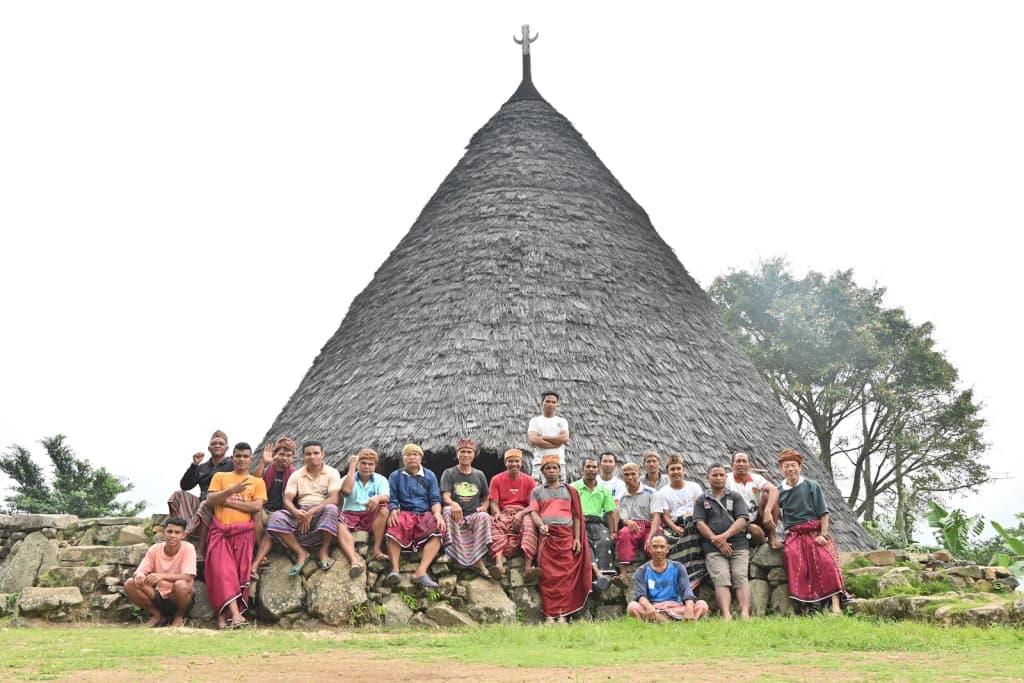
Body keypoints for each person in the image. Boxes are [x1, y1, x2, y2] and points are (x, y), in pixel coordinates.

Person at [777, 448, 849, 614]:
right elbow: (774, 513)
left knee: (826, 560)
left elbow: (823, 513)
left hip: (814, 531)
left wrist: (823, 535)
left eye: (793, 465)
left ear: (800, 467)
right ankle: (806, 606)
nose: (790, 469)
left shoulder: (812, 486)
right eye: (786, 466)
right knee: (792, 556)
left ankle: (835, 604)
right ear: (781, 469)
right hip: (795, 535)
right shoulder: (779, 491)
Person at [204, 442, 266, 629]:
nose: (241, 459)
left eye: (245, 456)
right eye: (238, 456)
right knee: (223, 573)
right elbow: (210, 500)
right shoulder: (220, 476)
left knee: (239, 576)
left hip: (243, 534)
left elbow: (256, 507)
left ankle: (224, 618)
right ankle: (237, 616)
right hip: (220, 532)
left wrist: (228, 502)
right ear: (232, 457)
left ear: (251, 459)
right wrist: (231, 491)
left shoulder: (257, 482)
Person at [528, 454, 591, 624]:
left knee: (566, 576)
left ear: (560, 470)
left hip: (567, 536)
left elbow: (577, 516)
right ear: (542, 471)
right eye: (547, 468)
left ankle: (563, 614)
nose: (551, 471)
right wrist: (540, 524)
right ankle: (549, 614)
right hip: (547, 537)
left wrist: (577, 539)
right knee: (548, 576)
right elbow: (533, 511)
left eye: (554, 467)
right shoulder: (537, 491)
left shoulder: (571, 491)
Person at [264, 440, 342, 576]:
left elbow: (334, 498)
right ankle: (301, 552)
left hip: (321, 510)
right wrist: (295, 512)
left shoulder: (332, 472)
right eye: (308, 454)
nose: (312, 456)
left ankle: (323, 551)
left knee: (331, 509)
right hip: (300, 511)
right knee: (276, 517)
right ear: (303, 456)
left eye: (316, 453)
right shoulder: (296, 475)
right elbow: (287, 499)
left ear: (323, 454)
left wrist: (313, 510)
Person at [384, 443, 447, 588]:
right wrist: (393, 510)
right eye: (408, 454)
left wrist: (437, 513)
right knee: (394, 525)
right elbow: (393, 498)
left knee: (439, 529)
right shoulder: (395, 476)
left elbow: (435, 498)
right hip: (405, 512)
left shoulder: (429, 475)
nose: (412, 457)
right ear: (403, 458)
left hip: (425, 513)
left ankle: (420, 572)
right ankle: (394, 569)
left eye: (415, 454)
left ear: (421, 457)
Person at [693, 463, 751, 619]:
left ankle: (745, 613)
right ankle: (726, 615)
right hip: (712, 547)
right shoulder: (701, 500)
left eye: (721, 475)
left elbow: (742, 519)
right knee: (721, 577)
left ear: (726, 477)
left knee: (740, 575)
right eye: (715, 475)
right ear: (708, 477)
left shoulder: (735, 496)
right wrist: (717, 540)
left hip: (738, 543)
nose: (718, 478)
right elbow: (699, 522)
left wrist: (724, 536)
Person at [167, 430, 234, 560]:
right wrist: (194, 465)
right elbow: (185, 486)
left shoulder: (232, 464)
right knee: (177, 495)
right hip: (202, 499)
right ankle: (176, 530)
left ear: (226, 448)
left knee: (205, 503)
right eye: (214, 443)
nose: (217, 445)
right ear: (209, 448)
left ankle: (200, 548)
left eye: (221, 443)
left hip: (219, 502)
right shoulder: (203, 467)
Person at [124, 516, 196, 627]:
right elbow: (140, 571)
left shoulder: (188, 548)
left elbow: (187, 577)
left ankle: (179, 617)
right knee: (130, 583)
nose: (172, 535)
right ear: (164, 532)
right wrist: (140, 575)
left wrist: (161, 576)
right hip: (158, 595)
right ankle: (157, 615)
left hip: (180, 598)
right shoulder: (155, 549)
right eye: (169, 531)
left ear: (184, 535)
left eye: (177, 532)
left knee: (181, 585)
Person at [440, 438, 494, 578]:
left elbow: (486, 498)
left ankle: (477, 560)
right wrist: (453, 503)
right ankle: (450, 552)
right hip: (456, 515)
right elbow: (445, 496)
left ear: (473, 455)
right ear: (457, 454)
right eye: (462, 452)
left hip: (473, 515)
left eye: (469, 452)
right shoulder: (449, 473)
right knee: (446, 510)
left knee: (485, 516)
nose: (465, 455)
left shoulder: (479, 474)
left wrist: (484, 507)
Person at [626, 533, 709, 622]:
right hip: (654, 608)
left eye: (662, 547)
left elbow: (687, 591)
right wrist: (650, 608)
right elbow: (640, 595)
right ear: (649, 549)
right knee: (632, 607)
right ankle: (673, 621)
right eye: (655, 547)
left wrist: (689, 608)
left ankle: (681, 620)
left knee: (702, 605)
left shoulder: (678, 567)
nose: (658, 550)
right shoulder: (642, 570)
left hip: (676, 607)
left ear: (667, 549)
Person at [488, 448, 539, 582]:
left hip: (523, 511)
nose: (514, 464)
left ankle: (528, 567)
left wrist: (521, 514)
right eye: (510, 461)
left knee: (529, 524)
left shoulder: (529, 481)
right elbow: (493, 503)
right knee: (495, 523)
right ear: (506, 463)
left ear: (521, 463)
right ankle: (499, 565)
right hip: (504, 511)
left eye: (517, 461)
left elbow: (533, 504)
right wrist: (497, 513)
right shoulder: (496, 479)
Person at [658, 454, 708, 588]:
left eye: (678, 469)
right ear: (667, 472)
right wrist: (675, 528)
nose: (676, 472)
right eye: (672, 469)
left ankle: (695, 573)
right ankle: (686, 575)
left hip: (696, 521)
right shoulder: (663, 492)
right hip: (676, 525)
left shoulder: (695, 487)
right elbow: (666, 516)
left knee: (691, 520)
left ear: (684, 470)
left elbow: (702, 507)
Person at [571, 456, 618, 591]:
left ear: (598, 470)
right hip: (580, 523)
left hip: (598, 524)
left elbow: (609, 513)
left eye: (594, 467)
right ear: (582, 469)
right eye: (588, 467)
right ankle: (597, 575)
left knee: (605, 541)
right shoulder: (574, 488)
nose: (591, 470)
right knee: (585, 543)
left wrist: (613, 531)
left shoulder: (604, 490)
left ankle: (602, 576)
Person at [251, 436, 296, 573]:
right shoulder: (267, 471)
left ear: (292, 458)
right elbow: (254, 481)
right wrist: (263, 463)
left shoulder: (294, 475)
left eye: (288, 455)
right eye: (281, 454)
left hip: (282, 513)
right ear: (275, 455)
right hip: (265, 509)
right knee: (256, 511)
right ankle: (260, 546)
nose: (285, 458)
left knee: (275, 521)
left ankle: (259, 555)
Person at [340, 448, 390, 566]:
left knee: (384, 509)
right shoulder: (348, 478)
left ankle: (377, 549)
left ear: (375, 466)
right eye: (363, 463)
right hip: (350, 514)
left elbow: (386, 496)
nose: (366, 466)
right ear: (358, 464)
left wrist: (377, 498)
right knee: (339, 522)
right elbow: (346, 491)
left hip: (370, 513)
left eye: (370, 464)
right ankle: (354, 560)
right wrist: (352, 467)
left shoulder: (380, 479)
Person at [614, 463, 661, 586]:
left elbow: (656, 517)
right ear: (622, 476)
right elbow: (623, 517)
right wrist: (627, 521)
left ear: (639, 474)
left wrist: (650, 537)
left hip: (650, 526)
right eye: (626, 475)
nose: (630, 477)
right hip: (633, 526)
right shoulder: (623, 496)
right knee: (623, 534)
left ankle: (658, 573)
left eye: (633, 474)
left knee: (655, 543)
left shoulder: (651, 492)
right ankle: (623, 574)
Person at [727, 451, 781, 548]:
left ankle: (772, 535)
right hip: (741, 522)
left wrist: (768, 511)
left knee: (767, 495)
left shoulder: (756, 478)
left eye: (744, 461)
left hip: (758, 517)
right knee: (755, 531)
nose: (741, 464)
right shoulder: (727, 480)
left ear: (750, 465)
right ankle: (762, 541)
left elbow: (774, 490)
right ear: (732, 465)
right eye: (738, 461)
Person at [527, 391, 569, 474]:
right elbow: (533, 440)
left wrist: (543, 437)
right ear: (542, 403)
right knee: (539, 487)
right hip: (539, 463)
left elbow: (564, 438)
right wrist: (556, 443)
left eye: (554, 402)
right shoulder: (535, 421)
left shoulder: (562, 421)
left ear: (557, 404)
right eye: (547, 401)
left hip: (559, 464)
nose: (550, 404)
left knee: (559, 487)